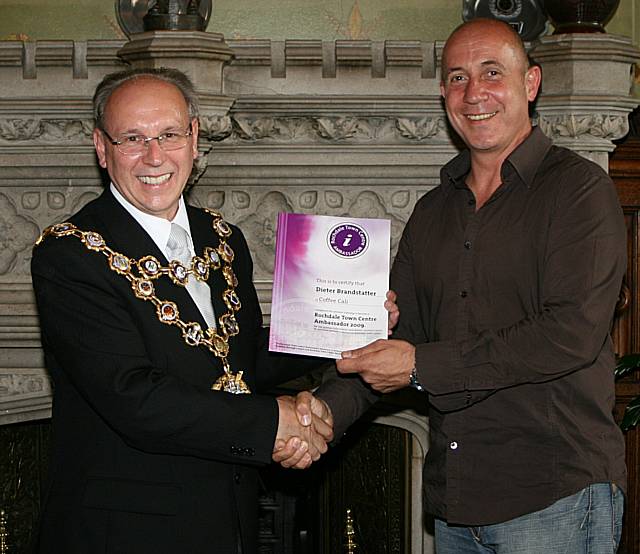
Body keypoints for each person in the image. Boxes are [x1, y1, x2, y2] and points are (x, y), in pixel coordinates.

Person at [289, 18, 628, 553]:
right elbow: (397, 340)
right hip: (455, 504)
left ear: (531, 83)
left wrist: (421, 365)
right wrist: (325, 411)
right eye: (456, 77)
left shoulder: (579, 191)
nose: (475, 94)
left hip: (553, 496)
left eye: (492, 73)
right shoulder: (432, 212)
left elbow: (567, 333)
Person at [30, 67, 337, 554]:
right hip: (124, 533)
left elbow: (241, 362)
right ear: (101, 148)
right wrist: (271, 423)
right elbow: (133, 398)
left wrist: (343, 327)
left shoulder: (224, 238)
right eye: (133, 138)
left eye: (169, 134)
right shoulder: (70, 255)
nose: (155, 156)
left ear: (194, 138)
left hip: (226, 519)